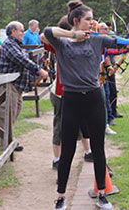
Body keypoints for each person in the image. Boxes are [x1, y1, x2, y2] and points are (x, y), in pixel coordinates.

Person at [44, 0, 129, 210]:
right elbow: (47, 31)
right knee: (67, 151)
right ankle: (61, 198)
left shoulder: (98, 40)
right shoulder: (62, 42)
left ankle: (102, 194)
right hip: (71, 100)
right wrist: (72, 35)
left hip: (93, 99)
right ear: (76, 21)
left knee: (98, 148)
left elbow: (122, 42)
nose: (92, 23)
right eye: (88, 20)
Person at [41, 16, 93, 170]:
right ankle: (57, 159)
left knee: (83, 122)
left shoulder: (81, 43)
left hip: (77, 92)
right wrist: (71, 35)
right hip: (61, 94)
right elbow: (43, 36)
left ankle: (88, 151)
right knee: (60, 127)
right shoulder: (60, 44)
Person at [0, 21, 48, 152]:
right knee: (6, 113)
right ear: (13, 32)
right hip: (7, 84)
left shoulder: (16, 45)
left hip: (16, 85)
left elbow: (25, 58)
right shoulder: (9, 44)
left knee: (15, 111)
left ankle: (6, 137)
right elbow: (21, 59)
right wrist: (39, 70)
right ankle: (6, 142)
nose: (23, 33)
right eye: (21, 30)